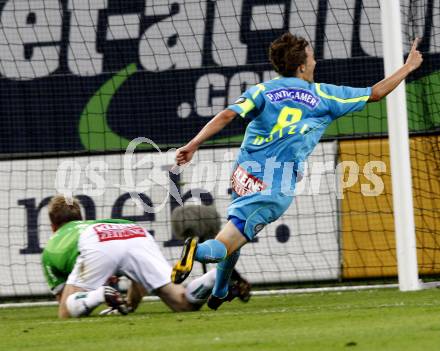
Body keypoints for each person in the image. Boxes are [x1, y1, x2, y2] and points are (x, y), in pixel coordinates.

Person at [171, 32, 423, 309]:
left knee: (236, 233)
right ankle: (196, 252)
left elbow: (227, 115)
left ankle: (219, 292)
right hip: (273, 188)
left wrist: (193, 145)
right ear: (302, 66)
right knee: (224, 245)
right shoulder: (323, 95)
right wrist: (408, 66)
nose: (315, 61)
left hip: (244, 174)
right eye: (312, 57)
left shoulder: (262, 90)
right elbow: (376, 93)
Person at [41, 195, 245, 318]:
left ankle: (100, 294)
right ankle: (214, 276)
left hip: (96, 243)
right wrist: (128, 305)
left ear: (52, 225)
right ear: (81, 218)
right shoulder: (99, 223)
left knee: (66, 312)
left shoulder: (54, 244)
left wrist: (96, 293)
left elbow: (65, 303)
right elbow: (140, 280)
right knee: (183, 304)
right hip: (134, 231)